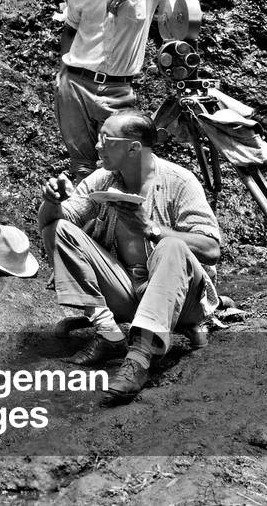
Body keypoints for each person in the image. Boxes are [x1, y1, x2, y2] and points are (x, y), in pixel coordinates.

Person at [38, 109, 222, 401]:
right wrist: (51, 201)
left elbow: (211, 249)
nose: (97, 145)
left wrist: (151, 229)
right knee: (58, 229)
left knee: (172, 246)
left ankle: (138, 359)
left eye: (106, 139)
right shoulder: (103, 179)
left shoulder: (180, 181)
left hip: (181, 299)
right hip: (127, 293)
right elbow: (56, 224)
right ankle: (109, 332)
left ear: (134, 148)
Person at [54, 0, 203, 181]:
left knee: (121, 167)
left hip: (118, 89)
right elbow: (70, 29)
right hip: (74, 88)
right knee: (82, 168)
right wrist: (62, 73)